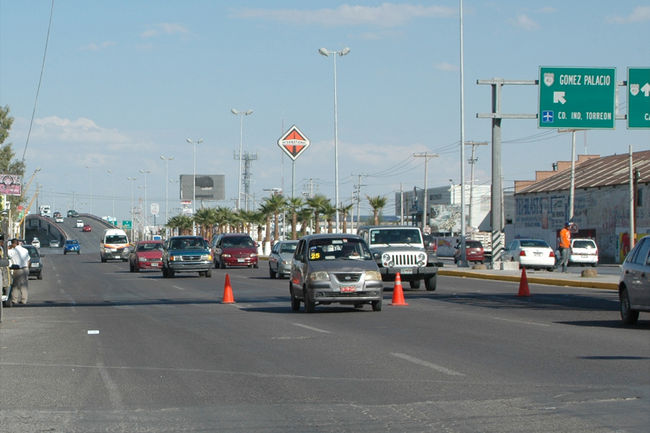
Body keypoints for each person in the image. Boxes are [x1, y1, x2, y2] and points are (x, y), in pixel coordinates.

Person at [8, 238, 30, 305]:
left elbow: (6, 253)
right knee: (24, 285)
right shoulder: (25, 250)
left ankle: (14, 299)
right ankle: (24, 300)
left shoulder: (13, 251)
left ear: (13, 244)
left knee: (16, 285)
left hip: (18, 269)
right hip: (25, 268)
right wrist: (27, 268)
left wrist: (9, 247)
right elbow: (28, 260)